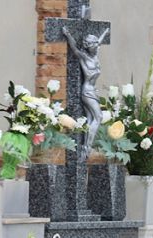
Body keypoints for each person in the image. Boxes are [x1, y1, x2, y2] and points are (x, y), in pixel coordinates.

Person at [61, 25, 109, 161]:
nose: (96, 47)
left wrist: (105, 32)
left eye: (96, 44)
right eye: (93, 45)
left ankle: (85, 148)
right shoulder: (84, 57)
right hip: (87, 91)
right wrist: (68, 34)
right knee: (98, 117)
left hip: (93, 91)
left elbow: (99, 41)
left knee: (90, 120)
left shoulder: (95, 54)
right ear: (89, 46)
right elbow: (74, 48)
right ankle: (87, 148)